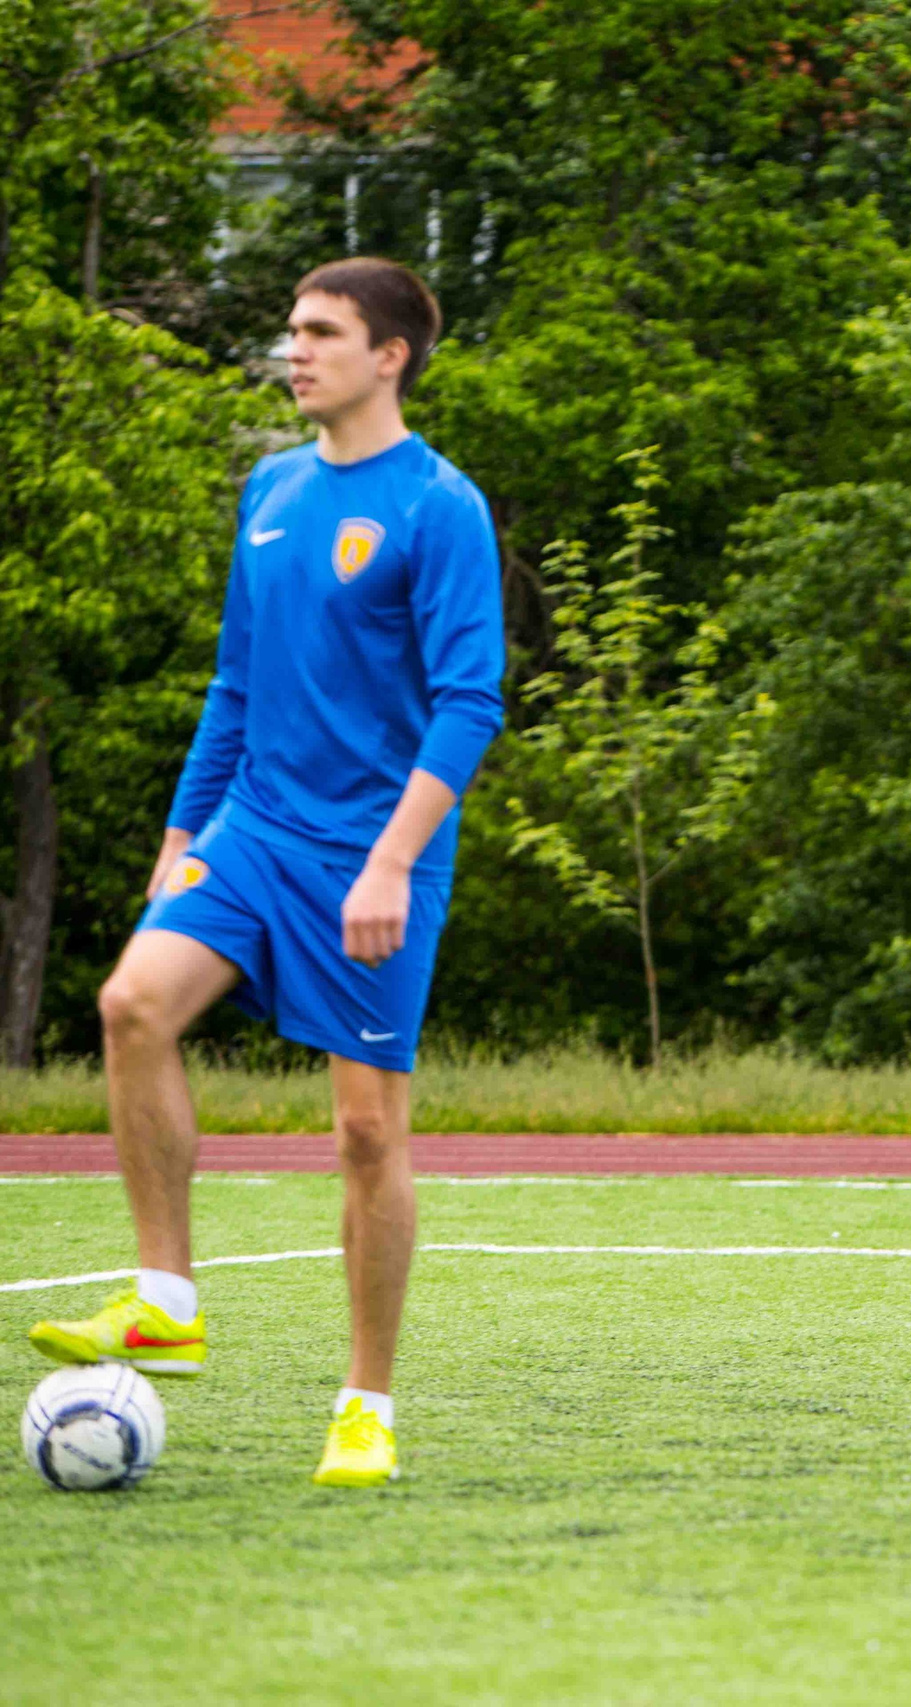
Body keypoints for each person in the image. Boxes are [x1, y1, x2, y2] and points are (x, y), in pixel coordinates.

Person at [26, 259, 505, 1487]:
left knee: (362, 1132)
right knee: (132, 1004)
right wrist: (186, 831)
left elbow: (468, 706)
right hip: (255, 829)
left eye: (319, 332)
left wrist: (392, 864)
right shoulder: (274, 486)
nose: (292, 351)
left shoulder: (440, 506)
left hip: (374, 851)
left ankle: (366, 1404)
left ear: (387, 354)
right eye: (291, 330)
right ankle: (166, 1298)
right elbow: (237, 682)